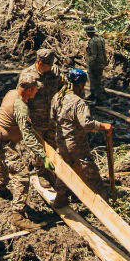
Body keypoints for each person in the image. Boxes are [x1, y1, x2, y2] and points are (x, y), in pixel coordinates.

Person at [52, 67, 112, 195]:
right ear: (80, 85)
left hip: (61, 142)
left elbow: (52, 117)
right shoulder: (78, 102)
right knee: (91, 173)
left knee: (65, 170)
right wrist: (102, 126)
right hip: (76, 144)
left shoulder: (57, 97)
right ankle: (102, 199)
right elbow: (86, 124)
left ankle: (60, 198)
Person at [0, 71, 42, 197]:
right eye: (35, 89)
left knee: (4, 163)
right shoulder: (21, 107)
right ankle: (18, 208)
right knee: (22, 175)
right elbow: (27, 135)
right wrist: (41, 154)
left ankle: (0, 189)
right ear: (29, 90)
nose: (36, 92)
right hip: (3, 143)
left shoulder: (11, 93)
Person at [26, 48, 63, 146]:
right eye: (49, 65)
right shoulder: (28, 76)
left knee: (52, 148)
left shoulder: (54, 73)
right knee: (36, 149)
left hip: (52, 121)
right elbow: (21, 99)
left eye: (52, 64)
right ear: (40, 63)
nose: (51, 67)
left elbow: (63, 88)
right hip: (35, 122)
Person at [83, 24, 108, 101]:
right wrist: (105, 61)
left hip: (95, 64)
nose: (86, 34)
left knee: (94, 81)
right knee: (98, 80)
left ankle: (98, 98)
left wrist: (89, 64)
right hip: (101, 63)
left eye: (87, 32)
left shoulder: (92, 41)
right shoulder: (101, 39)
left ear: (89, 32)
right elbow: (104, 51)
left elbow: (94, 55)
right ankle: (95, 95)